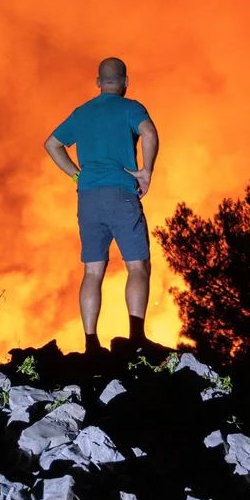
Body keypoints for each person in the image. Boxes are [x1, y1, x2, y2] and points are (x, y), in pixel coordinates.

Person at [44, 57, 160, 355]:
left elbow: (52, 144)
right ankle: (136, 338)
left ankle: (91, 343)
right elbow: (149, 132)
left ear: (98, 82)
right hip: (120, 192)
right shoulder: (131, 107)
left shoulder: (81, 113)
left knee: (93, 270)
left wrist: (75, 175)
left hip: (88, 198)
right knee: (137, 265)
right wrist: (146, 171)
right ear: (125, 81)